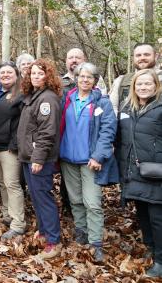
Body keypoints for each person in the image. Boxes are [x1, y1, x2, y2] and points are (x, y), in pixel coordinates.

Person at [59, 62, 118, 262]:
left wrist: (98, 156)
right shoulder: (67, 98)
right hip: (67, 158)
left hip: (90, 160)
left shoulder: (102, 102)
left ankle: (95, 243)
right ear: (76, 78)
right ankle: (81, 231)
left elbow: (108, 132)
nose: (85, 80)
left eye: (89, 77)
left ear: (95, 80)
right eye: (81, 76)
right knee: (75, 200)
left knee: (92, 202)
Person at [115, 69, 162, 278]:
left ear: (156, 86)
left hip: (156, 172)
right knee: (142, 215)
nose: (143, 87)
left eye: (147, 84)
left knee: (157, 218)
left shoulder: (160, 108)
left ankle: (161, 260)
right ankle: (152, 250)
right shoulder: (127, 107)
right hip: (133, 171)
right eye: (139, 84)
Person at [17, 59, 62, 259]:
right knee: (36, 197)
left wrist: (38, 158)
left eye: (40, 73)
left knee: (44, 198)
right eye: (32, 73)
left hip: (39, 158)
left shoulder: (48, 99)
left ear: (48, 76)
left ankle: (54, 242)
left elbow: (47, 132)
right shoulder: (34, 96)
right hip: (28, 156)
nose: (35, 76)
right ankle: (44, 232)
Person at [0, 62, 26, 241]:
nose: (5, 75)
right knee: (1, 183)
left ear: (16, 75)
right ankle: (7, 215)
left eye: (9, 72)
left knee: (12, 184)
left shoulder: (21, 95)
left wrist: (14, 144)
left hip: (9, 149)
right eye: (2, 73)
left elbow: (23, 124)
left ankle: (18, 224)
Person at [110, 43, 162, 114]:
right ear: (133, 58)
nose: (142, 58)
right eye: (138, 55)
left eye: (146, 54)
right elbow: (112, 107)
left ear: (156, 56)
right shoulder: (121, 80)